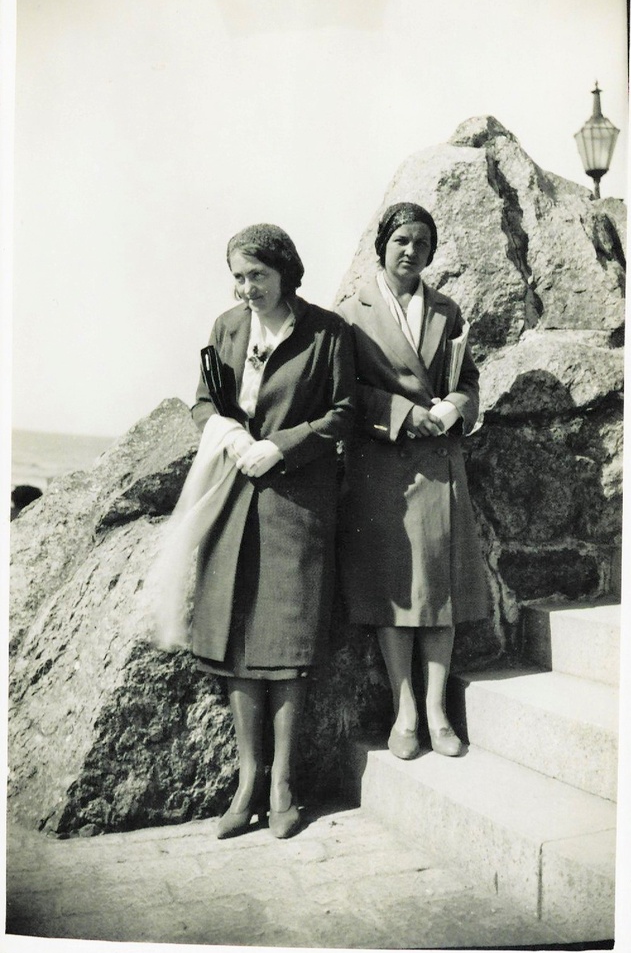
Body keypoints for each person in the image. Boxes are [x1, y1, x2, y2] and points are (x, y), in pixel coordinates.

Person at [190, 223, 355, 839]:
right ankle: (246, 784)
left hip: (296, 502)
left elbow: (343, 414)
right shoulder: (227, 328)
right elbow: (204, 401)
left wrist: (281, 447)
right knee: (236, 645)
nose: (245, 287)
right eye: (237, 276)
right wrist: (232, 436)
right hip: (233, 494)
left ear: (286, 272)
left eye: (256, 275)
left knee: (288, 647)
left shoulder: (327, 332)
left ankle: (284, 785)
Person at [337, 202, 487, 760]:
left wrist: (453, 409)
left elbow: (469, 380)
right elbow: (344, 392)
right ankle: (405, 710)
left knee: (439, 596)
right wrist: (400, 414)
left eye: (422, 243)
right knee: (394, 595)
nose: (411, 250)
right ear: (383, 244)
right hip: (383, 467)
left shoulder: (448, 309)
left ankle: (437, 711)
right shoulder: (353, 313)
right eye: (402, 239)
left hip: (440, 465)